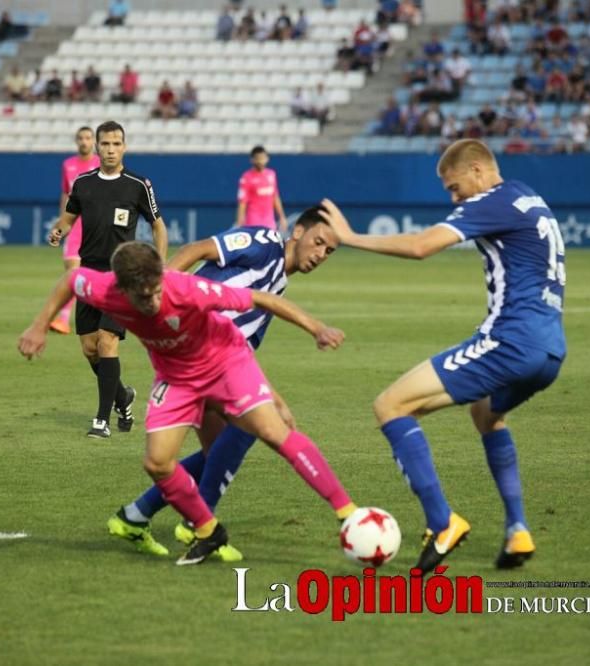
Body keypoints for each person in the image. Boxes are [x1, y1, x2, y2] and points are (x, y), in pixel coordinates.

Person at [18, 241, 356, 564]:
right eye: (142, 296)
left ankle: (347, 512)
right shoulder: (104, 289)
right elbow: (70, 279)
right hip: (176, 377)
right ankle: (209, 532)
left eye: (156, 290)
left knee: (272, 430)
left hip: (226, 362)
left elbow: (259, 298)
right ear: (121, 289)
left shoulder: (186, 288)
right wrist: (38, 326)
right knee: (158, 462)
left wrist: (317, 328)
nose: (151, 301)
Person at [318, 138, 567, 571]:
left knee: (391, 405)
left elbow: (420, 246)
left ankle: (443, 521)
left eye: (455, 188)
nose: (454, 198)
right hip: (550, 349)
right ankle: (518, 529)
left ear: (476, 169)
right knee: (486, 414)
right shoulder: (526, 194)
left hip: (511, 341)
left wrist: (349, 237)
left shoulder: (492, 199)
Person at [109, 207, 340, 555]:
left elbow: (241, 349)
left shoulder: (277, 281)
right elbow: (200, 248)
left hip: (212, 360)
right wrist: (161, 290)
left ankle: (137, 515)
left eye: (329, 251)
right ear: (298, 232)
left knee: (218, 450)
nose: (321, 254)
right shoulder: (264, 243)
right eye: (319, 242)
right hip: (190, 349)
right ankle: (197, 526)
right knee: (244, 429)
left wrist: (272, 395)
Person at [47, 121, 168, 438]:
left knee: (107, 341)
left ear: (124, 147)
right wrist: (59, 229)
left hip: (120, 276)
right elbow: (70, 217)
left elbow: (158, 225)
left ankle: (101, 420)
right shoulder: (83, 183)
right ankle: (122, 396)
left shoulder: (138, 185)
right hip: (87, 274)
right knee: (90, 349)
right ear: (97, 147)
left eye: (116, 143)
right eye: (106, 144)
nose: (111, 149)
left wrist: (160, 264)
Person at [50, 126, 101, 336]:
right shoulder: (68, 165)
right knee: (72, 271)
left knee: (97, 273)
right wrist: (61, 224)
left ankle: (97, 316)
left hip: (96, 224)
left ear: (93, 141)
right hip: (75, 224)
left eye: (88, 138)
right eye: (80, 138)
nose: (84, 141)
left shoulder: (101, 163)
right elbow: (65, 194)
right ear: (76, 141)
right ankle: (63, 319)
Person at [236, 146, 289, 233]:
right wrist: (239, 222)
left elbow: (275, 197)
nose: (261, 161)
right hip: (253, 222)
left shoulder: (271, 174)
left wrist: (282, 217)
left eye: (263, 158)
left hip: (270, 223)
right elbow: (242, 202)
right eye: (258, 159)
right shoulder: (246, 177)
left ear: (267, 159)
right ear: (252, 160)